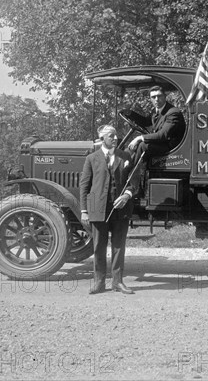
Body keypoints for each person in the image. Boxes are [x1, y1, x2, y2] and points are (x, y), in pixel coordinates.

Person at [81, 125, 139, 295]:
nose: (115, 138)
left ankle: (117, 282)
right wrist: (84, 210)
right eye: (111, 136)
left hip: (121, 209)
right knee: (99, 246)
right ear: (102, 139)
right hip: (98, 209)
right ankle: (99, 282)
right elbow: (84, 186)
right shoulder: (91, 158)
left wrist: (127, 195)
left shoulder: (125, 156)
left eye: (116, 135)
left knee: (119, 246)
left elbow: (134, 181)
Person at [127, 85, 186, 163]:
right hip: (162, 144)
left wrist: (139, 138)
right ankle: (126, 165)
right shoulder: (156, 111)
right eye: (153, 97)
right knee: (130, 149)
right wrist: (130, 113)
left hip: (172, 149)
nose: (156, 99)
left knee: (143, 145)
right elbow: (145, 121)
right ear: (150, 99)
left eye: (159, 96)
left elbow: (162, 135)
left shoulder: (173, 112)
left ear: (165, 97)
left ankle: (130, 171)